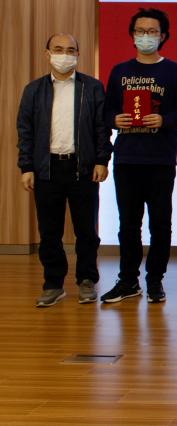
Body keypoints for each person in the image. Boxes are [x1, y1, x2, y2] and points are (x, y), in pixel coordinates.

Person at [101, 8, 177, 304]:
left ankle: (155, 280)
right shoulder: (120, 71)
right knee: (128, 224)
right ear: (132, 35)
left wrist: (164, 120)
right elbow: (106, 110)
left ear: (163, 36)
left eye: (152, 31)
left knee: (160, 224)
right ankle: (128, 280)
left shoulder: (175, 71)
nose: (146, 36)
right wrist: (115, 119)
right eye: (140, 31)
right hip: (127, 158)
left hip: (160, 159)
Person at [17, 33, 111, 307]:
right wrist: (26, 166)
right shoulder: (34, 90)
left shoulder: (92, 88)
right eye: (58, 49)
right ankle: (53, 284)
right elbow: (25, 130)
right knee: (49, 232)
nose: (64, 55)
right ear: (47, 53)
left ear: (78, 54)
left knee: (86, 231)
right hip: (46, 169)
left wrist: (102, 160)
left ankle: (86, 280)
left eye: (70, 50)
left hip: (83, 167)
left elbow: (102, 128)